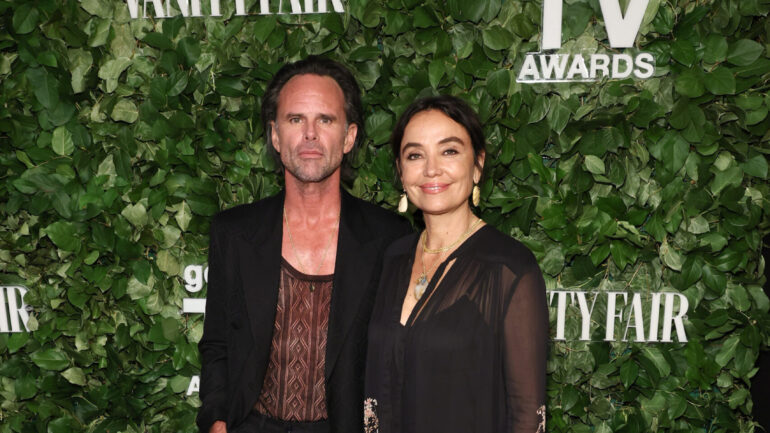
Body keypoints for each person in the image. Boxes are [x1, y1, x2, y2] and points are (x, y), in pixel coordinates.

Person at [197, 56, 411, 433]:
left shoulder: (391, 238)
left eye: (325, 120)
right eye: (296, 119)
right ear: (276, 137)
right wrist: (216, 421)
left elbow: (399, 361)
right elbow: (217, 344)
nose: (310, 134)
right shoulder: (233, 233)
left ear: (349, 137)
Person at [364, 95, 548, 433]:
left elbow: (527, 415)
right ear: (402, 173)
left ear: (477, 164)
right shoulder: (392, 257)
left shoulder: (509, 267)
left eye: (449, 151)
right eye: (415, 155)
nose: (431, 169)